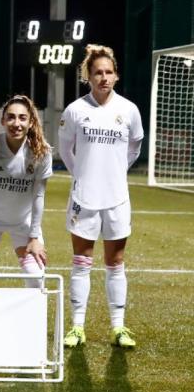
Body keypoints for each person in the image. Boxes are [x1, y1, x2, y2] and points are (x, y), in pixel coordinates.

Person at [59, 44, 143, 349]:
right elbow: (66, 149)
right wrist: (81, 174)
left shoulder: (129, 110)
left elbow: (134, 147)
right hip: (84, 199)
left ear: (116, 75)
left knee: (115, 262)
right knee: (82, 262)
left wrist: (116, 171)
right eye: (97, 73)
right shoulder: (75, 111)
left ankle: (118, 328)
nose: (103, 77)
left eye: (108, 72)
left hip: (117, 198)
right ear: (88, 76)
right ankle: (77, 327)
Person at [0, 95, 52, 288]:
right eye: (11, 117)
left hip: (24, 222)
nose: (17, 123)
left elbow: (38, 196)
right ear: (3, 121)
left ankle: (28, 319)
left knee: (36, 279)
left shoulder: (42, 151)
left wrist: (34, 238)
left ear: (31, 122)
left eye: (22, 118)